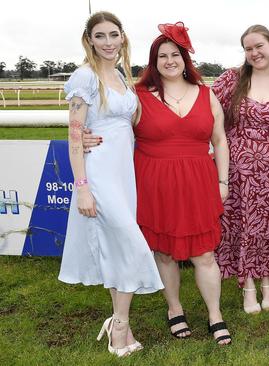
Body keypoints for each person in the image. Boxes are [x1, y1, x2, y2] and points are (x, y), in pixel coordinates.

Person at [82, 22, 232, 345]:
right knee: (163, 253)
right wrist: (82, 136)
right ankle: (174, 309)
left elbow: (220, 140)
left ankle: (215, 315)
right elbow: (113, 128)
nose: (168, 61)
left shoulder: (207, 95)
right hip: (155, 185)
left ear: (184, 59)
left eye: (174, 54)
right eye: (161, 56)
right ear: (153, 62)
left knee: (204, 254)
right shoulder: (138, 96)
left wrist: (223, 181)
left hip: (199, 183)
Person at [58, 11, 163, 357]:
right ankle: (119, 324)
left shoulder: (120, 75)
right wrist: (82, 186)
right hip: (99, 173)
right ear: (89, 40)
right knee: (133, 246)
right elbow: (75, 135)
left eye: (113, 35)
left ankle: (121, 322)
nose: (107, 42)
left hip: (124, 173)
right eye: (99, 36)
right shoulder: (84, 77)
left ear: (122, 38)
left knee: (120, 249)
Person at [211, 25, 269, 314]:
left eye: (259, 46)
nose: (254, 53)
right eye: (248, 49)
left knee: (267, 228)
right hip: (236, 167)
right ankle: (248, 286)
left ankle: (268, 283)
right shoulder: (232, 79)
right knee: (242, 227)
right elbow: (204, 110)